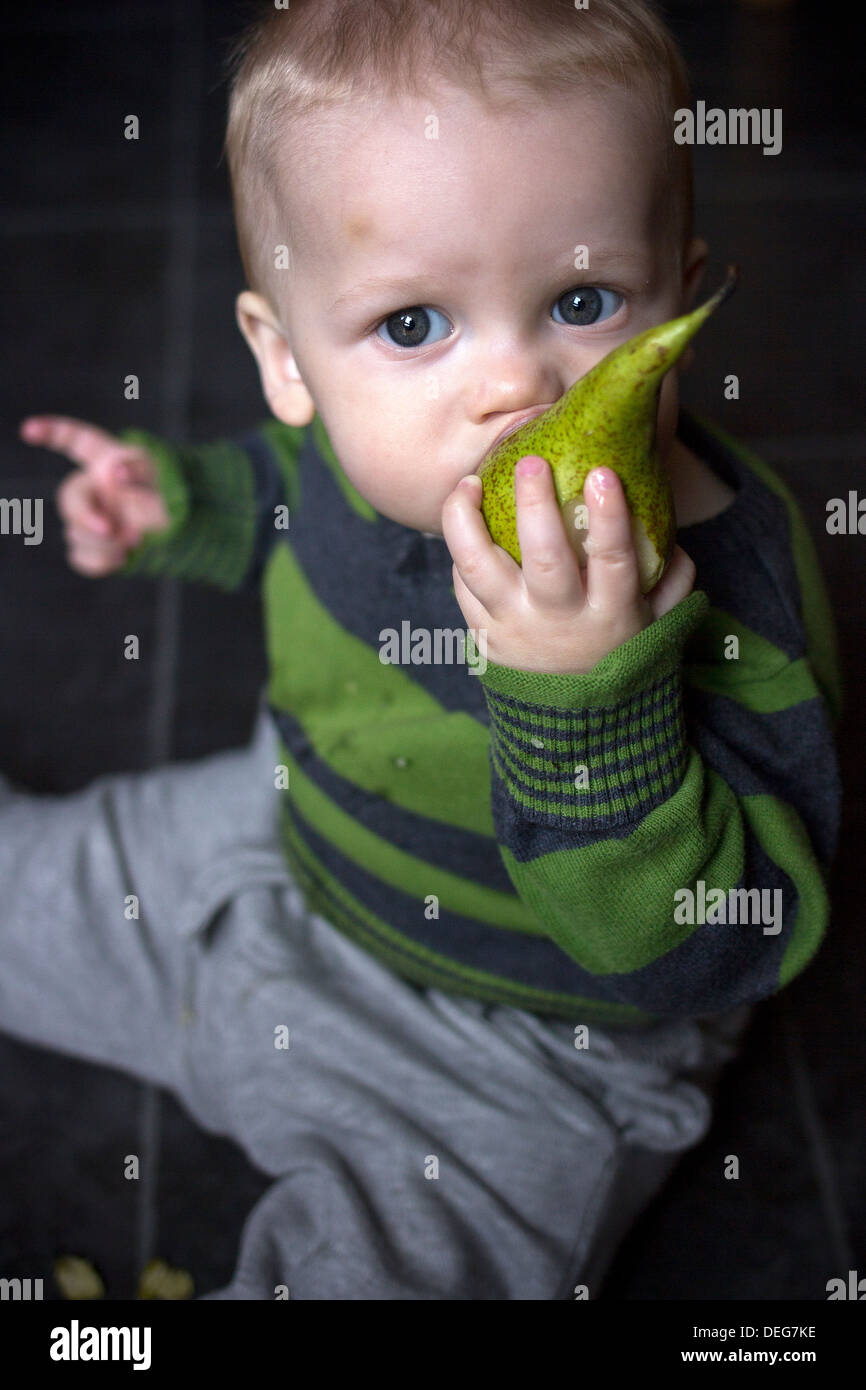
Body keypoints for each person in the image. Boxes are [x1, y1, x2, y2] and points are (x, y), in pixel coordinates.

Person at [8, 0, 842, 1299]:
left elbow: (724, 941)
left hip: (526, 1047)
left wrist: (585, 695)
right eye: (412, 326)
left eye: (582, 300)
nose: (513, 389)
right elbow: (283, 488)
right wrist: (180, 502)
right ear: (287, 361)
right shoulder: (347, 449)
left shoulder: (737, 585)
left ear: (678, 292)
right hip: (278, 847)